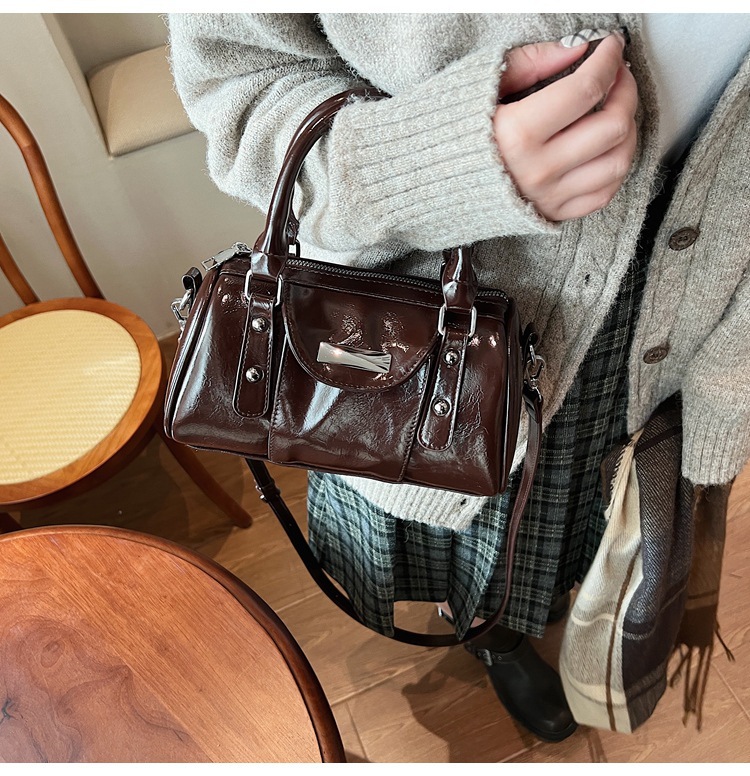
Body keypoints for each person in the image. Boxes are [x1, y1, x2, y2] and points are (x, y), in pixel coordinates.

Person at [168, 13, 750, 743]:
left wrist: (724, 404)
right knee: (448, 537)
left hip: (665, 314)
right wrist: (432, 166)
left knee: (566, 530)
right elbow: (239, 84)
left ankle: (511, 622)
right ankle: (488, 634)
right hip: (403, 328)